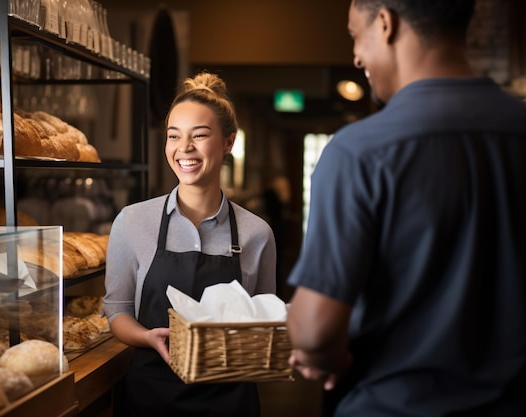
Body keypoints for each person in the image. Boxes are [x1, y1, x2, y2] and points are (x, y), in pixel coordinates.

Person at [286, 1, 526, 416]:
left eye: (354, 35)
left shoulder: (358, 152)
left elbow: (313, 333)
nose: (357, 55)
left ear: (385, 23)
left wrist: (331, 359)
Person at [103, 71, 277, 417]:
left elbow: (265, 325)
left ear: (228, 142)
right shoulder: (133, 221)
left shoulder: (257, 233)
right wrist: (148, 337)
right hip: (151, 397)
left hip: (229, 402)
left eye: (199, 135)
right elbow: (117, 312)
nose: (184, 149)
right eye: (173, 136)